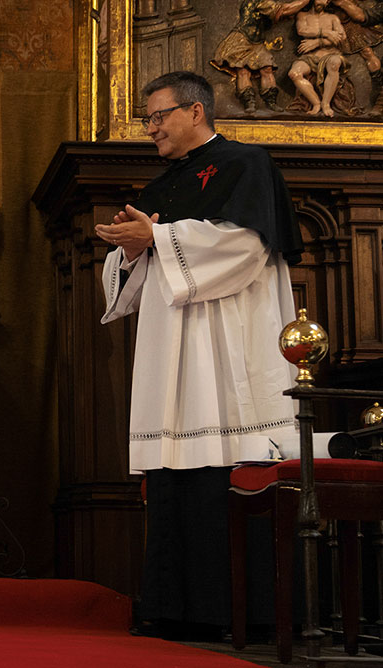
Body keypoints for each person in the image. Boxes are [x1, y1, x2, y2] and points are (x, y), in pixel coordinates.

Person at [95, 71, 303, 635]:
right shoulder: (164, 184)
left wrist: (158, 240)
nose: (151, 126)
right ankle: (172, 609)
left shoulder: (245, 164)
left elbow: (245, 247)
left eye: (158, 115)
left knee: (222, 465)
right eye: (146, 118)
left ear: (195, 111)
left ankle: (238, 613)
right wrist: (130, 250)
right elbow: (135, 278)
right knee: (173, 474)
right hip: (173, 351)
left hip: (227, 337)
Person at [210, 0, 309, 112]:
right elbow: (286, 9)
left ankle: (271, 101)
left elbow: (277, 15)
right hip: (241, 40)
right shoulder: (260, 2)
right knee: (243, 71)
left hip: (257, 42)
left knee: (267, 68)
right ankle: (249, 103)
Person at [288, 0, 350, 117]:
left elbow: (341, 36)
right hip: (310, 56)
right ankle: (316, 103)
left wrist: (318, 42)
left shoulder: (332, 18)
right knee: (294, 73)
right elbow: (302, 30)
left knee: (334, 63)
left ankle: (326, 104)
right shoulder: (303, 16)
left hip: (330, 54)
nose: (324, 1)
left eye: (327, 0)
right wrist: (326, 32)